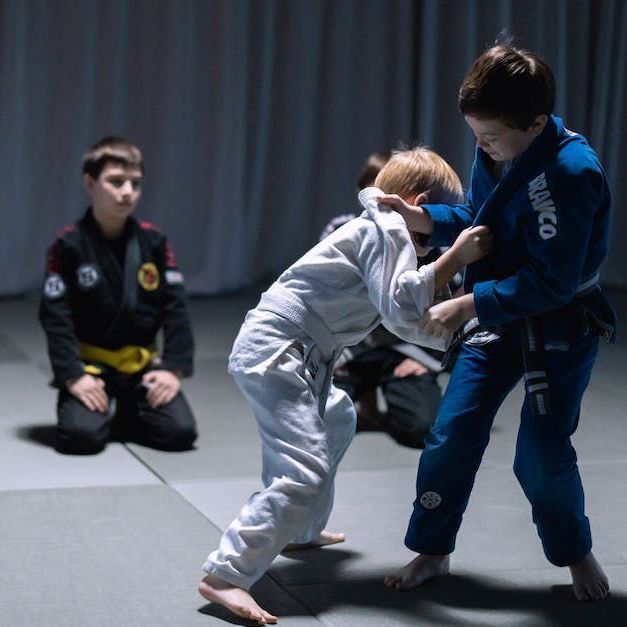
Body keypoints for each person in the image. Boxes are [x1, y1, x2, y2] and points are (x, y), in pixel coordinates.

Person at [198, 147, 492, 624]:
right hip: (277, 350)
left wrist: (460, 330)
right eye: (440, 222)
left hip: (306, 354)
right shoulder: (386, 227)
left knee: (338, 417)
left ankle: (302, 527)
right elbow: (400, 307)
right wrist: (455, 257)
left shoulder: (386, 232)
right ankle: (226, 575)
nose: (443, 235)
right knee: (303, 469)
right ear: (417, 205)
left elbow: (407, 321)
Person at [381, 44, 616, 602]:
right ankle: (433, 550)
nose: (480, 145)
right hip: (497, 315)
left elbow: (554, 281)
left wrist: (467, 304)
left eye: (488, 136)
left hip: (558, 319)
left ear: (536, 123)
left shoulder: (573, 171)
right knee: (450, 432)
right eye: (476, 134)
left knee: (541, 450)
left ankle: (573, 551)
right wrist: (425, 218)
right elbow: (481, 221)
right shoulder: (497, 147)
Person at [39, 136, 197, 455]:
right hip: (90, 368)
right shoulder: (67, 245)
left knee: (180, 433)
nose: (127, 192)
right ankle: (98, 407)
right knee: (81, 439)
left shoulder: (154, 241)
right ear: (90, 183)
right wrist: (72, 376)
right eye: (116, 182)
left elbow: (176, 309)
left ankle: (129, 408)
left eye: (135, 183)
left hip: (140, 367)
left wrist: (172, 369)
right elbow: (56, 319)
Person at [322, 151, 461, 449]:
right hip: (354, 349)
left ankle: (390, 395)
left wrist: (429, 362)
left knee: (423, 428)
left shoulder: (432, 239)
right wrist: (330, 355)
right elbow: (329, 303)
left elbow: (455, 309)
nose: (386, 211)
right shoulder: (343, 231)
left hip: (406, 350)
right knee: (313, 422)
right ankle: (363, 396)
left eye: (395, 202)